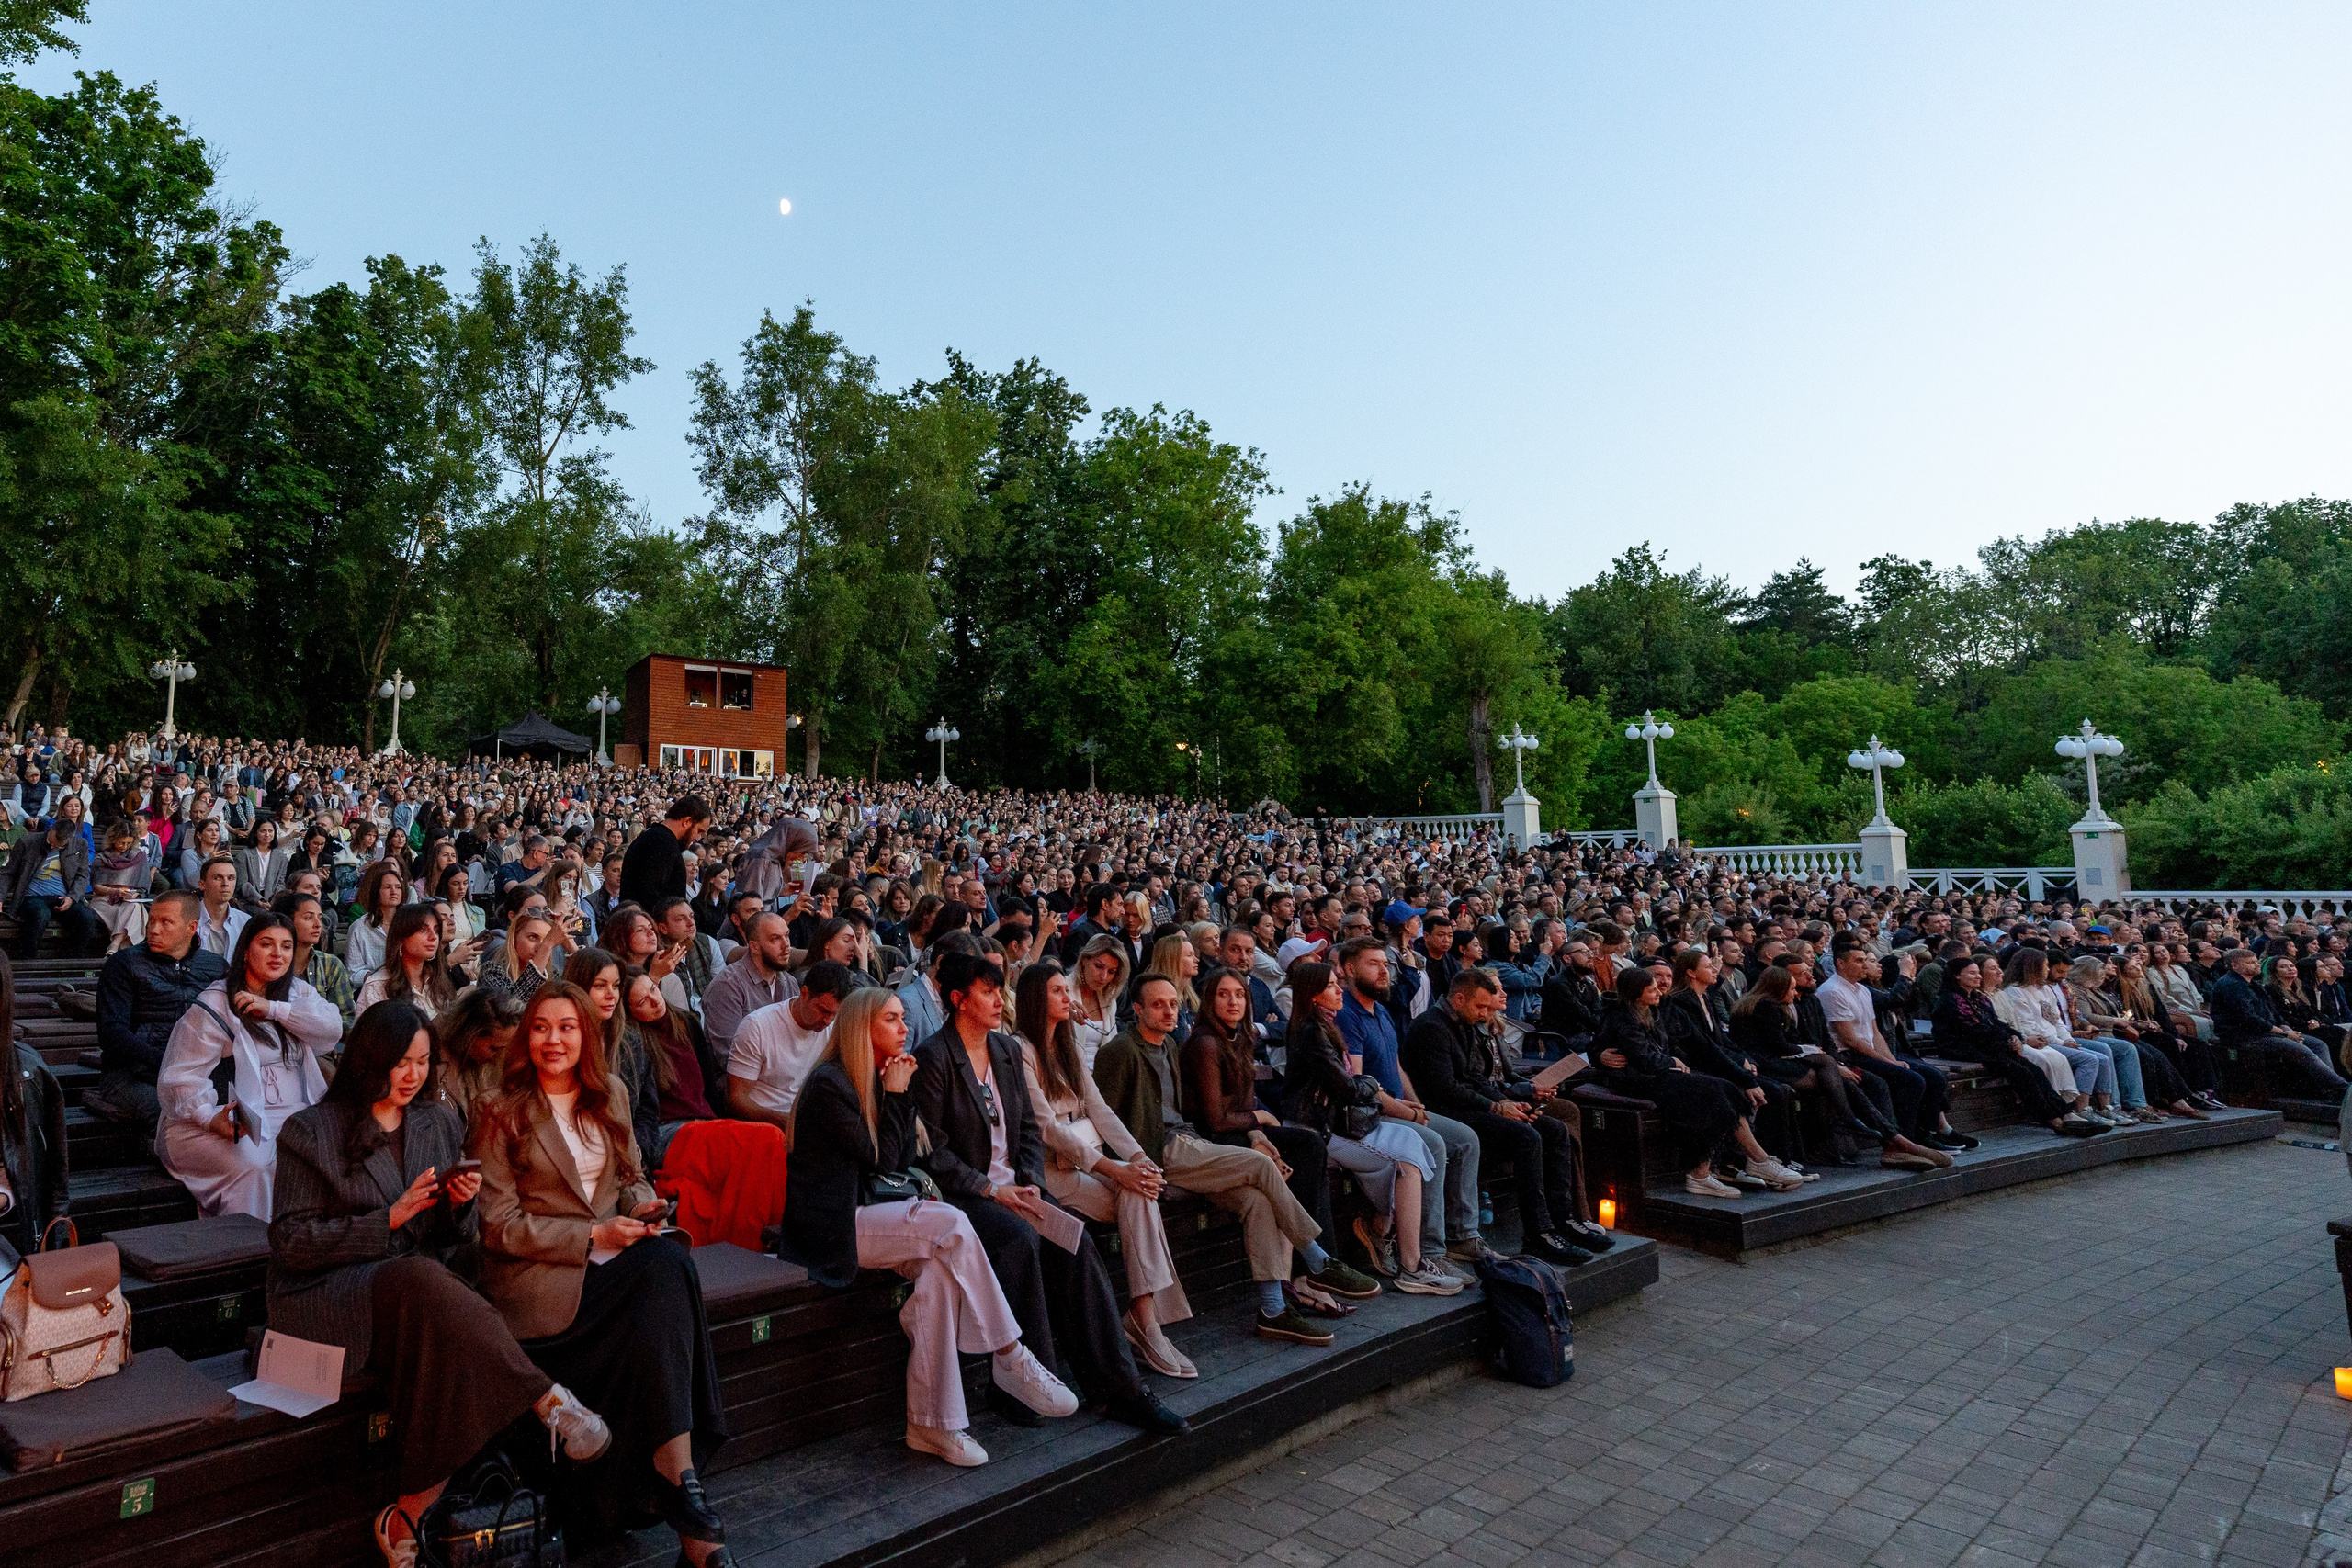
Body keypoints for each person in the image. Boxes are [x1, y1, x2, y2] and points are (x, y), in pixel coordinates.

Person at [267, 1001, 609, 1567]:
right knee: (425, 1283)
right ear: (368, 1061)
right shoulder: (310, 1131)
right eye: (401, 1062)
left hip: (420, 1296)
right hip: (327, 1297)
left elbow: (454, 1242)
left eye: (424, 1062)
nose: (413, 1075)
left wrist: (457, 1208)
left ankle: (405, 1516)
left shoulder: (437, 1121)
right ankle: (545, 1399)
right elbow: (291, 1244)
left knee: (442, 1317)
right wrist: (389, 1220)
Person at [470, 982, 734, 1565]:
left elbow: (632, 1177)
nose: (553, 1040)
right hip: (542, 1286)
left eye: (567, 1027)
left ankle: (681, 1484)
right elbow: (499, 1228)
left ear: (587, 1035)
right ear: (525, 1037)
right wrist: (592, 1235)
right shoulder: (499, 1109)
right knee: (668, 1268)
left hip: (613, 1271)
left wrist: (640, 1206)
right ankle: (684, 1487)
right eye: (541, 1028)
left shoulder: (611, 1093)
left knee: (667, 1260)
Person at [781, 986, 1077, 1468]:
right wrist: (897, 1097)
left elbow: (898, 1162)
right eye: (892, 1020)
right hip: (832, 1229)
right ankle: (1009, 1353)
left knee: (939, 1277)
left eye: (903, 1018)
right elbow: (878, 1162)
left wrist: (896, 1094)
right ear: (862, 1028)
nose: (905, 1029)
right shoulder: (830, 1084)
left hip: (877, 1218)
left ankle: (931, 1424)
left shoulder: (885, 1076)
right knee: (953, 1224)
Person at [909, 950, 1189, 1434]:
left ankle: (1120, 1389)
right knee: (1023, 1240)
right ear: (958, 1000)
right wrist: (994, 1193)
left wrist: (1032, 1185)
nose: (1000, 1000)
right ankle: (1021, 1380)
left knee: (1074, 1241)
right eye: (988, 992)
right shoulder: (935, 1058)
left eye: (1000, 990)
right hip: (966, 1197)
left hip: (1018, 1189)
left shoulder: (1002, 1051)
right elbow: (934, 1155)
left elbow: (1026, 1132)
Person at [1400, 966, 1611, 1264]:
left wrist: (1509, 1101)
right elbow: (1444, 1088)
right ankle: (1539, 1234)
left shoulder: (1465, 1022)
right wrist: (1497, 1107)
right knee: (1526, 1136)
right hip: (1443, 1112)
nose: (1485, 1013)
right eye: (1480, 1006)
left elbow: (1477, 1077)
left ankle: (1563, 1221)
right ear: (1459, 998)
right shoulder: (1431, 1027)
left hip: (1470, 1105)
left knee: (1553, 1129)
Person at [1281, 961, 1460, 1294]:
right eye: (1332, 986)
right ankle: (1409, 1262)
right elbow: (1346, 1088)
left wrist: (1364, 1085)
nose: (1339, 991)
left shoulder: (1324, 1026)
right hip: (1316, 1132)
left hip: (1338, 1125)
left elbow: (1348, 1084)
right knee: (1405, 1158)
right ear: (1315, 995)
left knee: (1411, 1141)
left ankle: (1389, 1233)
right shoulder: (1310, 1032)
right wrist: (1371, 1085)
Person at [154, 912, 342, 1218]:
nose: (277, 954)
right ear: (245, 950)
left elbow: (330, 1031)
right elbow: (180, 1076)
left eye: (286, 946)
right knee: (257, 1166)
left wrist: (275, 1009)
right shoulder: (217, 1002)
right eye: (266, 944)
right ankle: (248, 1251)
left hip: (293, 1115)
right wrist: (208, 1117)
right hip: (217, 1121)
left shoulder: (298, 994)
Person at [1329, 938, 1479, 1275]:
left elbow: (1395, 1065)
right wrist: (1408, 1113)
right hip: (1372, 1116)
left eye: (1386, 964)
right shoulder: (1347, 1015)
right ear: (1349, 969)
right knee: (1434, 1143)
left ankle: (1464, 1235)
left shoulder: (1380, 1009)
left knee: (1466, 1138)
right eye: (1374, 964)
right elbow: (1361, 1083)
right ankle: (1429, 1249)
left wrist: (1414, 1102)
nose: (1384, 970)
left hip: (1399, 1107)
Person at [627, 966, 789, 1249]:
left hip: (705, 1123)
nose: (655, 1001)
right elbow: (642, 1113)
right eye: (642, 1001)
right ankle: (748, 1242)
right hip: (669, 1132)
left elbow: (710, 1086)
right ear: (627, 1012)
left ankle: (769, 1239)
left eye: (653, 990)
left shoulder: (686, 1023)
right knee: (768, 1137)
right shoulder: (633, 1042)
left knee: (770, 1145)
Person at [1593, 965, 1789, 1199]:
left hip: (1661, 1073)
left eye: (1665, 980)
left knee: (1724, 1087)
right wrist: (1672, 1062)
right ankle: (1719, 1169)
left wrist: (1743, 1077)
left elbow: (1705, 1046)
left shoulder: (1655, 1010)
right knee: (1710, 1092)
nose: (1660, 989)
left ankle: (1748, 1161)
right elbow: (1642, 1058)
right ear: (1637, 992)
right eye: (1653, 986)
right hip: (1638, 1080)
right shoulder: (1622, 1017)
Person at [1929, 955, 2105, 1137]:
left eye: (1977, 972)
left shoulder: (1977, 998)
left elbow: (1997, 1024)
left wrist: (2014, 1036)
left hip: (1988, 1048)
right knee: (2022, 1074)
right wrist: (2007, 1041)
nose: (1978, 976)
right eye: (1972, 973)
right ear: (1957, 976)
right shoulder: (1951, 1000)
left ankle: (2066, 1113)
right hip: (1963, 1050)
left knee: (2034, 1071)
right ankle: (2053, 1120)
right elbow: (1974, 1031)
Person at [727, 961, 857, 1128]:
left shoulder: (834, 1028)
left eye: (835, 1014)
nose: (828, 1021)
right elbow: (735, 1099)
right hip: (762, 1126)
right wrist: (783, 1120)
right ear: (804, 994)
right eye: (823, 1010)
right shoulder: (757, 1026)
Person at [2211, 943, 2350, 1100]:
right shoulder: (2231, 986)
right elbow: (2248, 1019)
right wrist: (2283, 1032)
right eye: (2250, 962)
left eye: (2256, 961)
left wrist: (2286, 1028)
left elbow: (2274, 1013)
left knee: (2318, 1044)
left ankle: (2329, 1089)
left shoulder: (2253, 985)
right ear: (2234, 965)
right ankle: (2342, 1088)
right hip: (2244, 1036)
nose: (2257, 964)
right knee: (2302, 1050)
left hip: (2266, 1033)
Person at [701, 909, 797, 1061]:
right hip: (741, 1078)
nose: (786, 945)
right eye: (775, 939)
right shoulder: (727, 986)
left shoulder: (789, 983)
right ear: (754, 947)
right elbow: (729, 1055)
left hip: (783, 1073)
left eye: (786, 936)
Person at [6, 807, 99, 958]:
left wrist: (72, 897)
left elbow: (82, 876)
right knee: (40, 914)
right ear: (50, 830)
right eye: (51, 841)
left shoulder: (80, 845)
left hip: (63, 896)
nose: (52, 847)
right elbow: (8, 873)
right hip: (32, 896)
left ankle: (70, 960)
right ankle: (28, 958)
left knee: (87, 918)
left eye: (58, 846)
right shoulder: (28, 841)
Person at [435, 984, 523, 1128]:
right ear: (471, 1035)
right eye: (493, 1048)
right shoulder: (433, 1060)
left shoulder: (493, 1064)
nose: (498, 1056)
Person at [355, 903, 458, 1022]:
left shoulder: (436, 979)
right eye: (423, 930)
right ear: (401, 938)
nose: (433, 937)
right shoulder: (377, 985)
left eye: (436, 930)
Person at [276, 890, 355, 1031]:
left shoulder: (331, 965)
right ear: (287, 921)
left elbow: (347, 1018)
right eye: (308, 918)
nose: (318, 924)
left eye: (319, 917)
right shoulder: (272, 963)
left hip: (326, 1047)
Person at [620, 795, 713, 911]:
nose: (697, 838)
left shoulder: (658, 839)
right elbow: (650, 898)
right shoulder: (661, 844)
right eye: (699, 831)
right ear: (687, 821)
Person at [346, 861, 406, 987]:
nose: (394, 891)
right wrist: (378, 978)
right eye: (387, 887)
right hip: (373, 987)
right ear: (376, 892)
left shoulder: (410, 924)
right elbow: (353, 973)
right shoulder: (359, 927)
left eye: (398, 887)